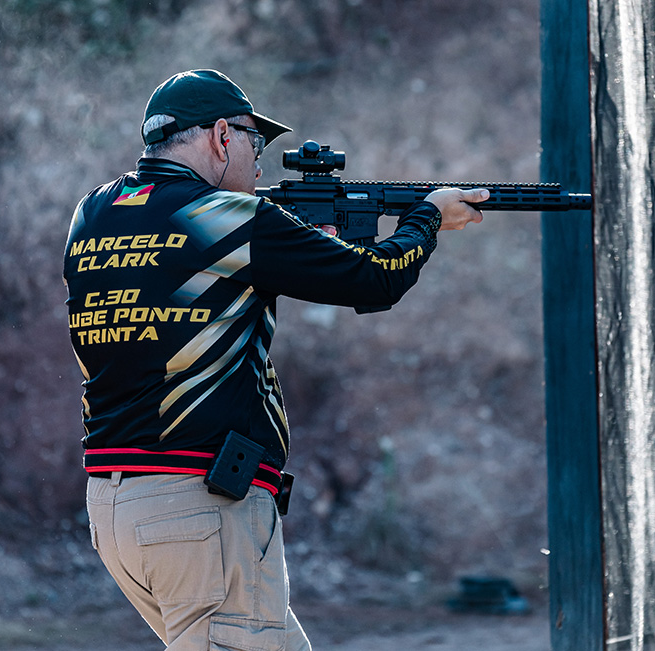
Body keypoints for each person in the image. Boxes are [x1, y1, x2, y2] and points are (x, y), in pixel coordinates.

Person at [63, 69, 487, 650]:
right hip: (199, 507)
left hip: (117, 509)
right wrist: (428, 218)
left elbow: (175, 271)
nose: (259, 167)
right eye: (254, 143)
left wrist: (298, 237)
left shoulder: (92, 215)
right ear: (221, 136)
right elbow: (374, 279)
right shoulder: (229, 218)